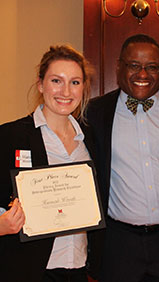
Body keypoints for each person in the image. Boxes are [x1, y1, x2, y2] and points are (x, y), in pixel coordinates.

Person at [86, 34, 159, 282]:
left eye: (152, 67)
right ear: (119, 67)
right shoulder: (94, 113)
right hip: (118, 244)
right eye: (134, 65)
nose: (143, 74)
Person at [0, 45, 98, 281]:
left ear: (83, 88)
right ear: (41, 84)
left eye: (75, 82)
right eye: (56, 80)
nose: (66, 91)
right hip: (29, 270)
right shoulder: (9, 137)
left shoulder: (92, 139)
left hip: (79, 269)